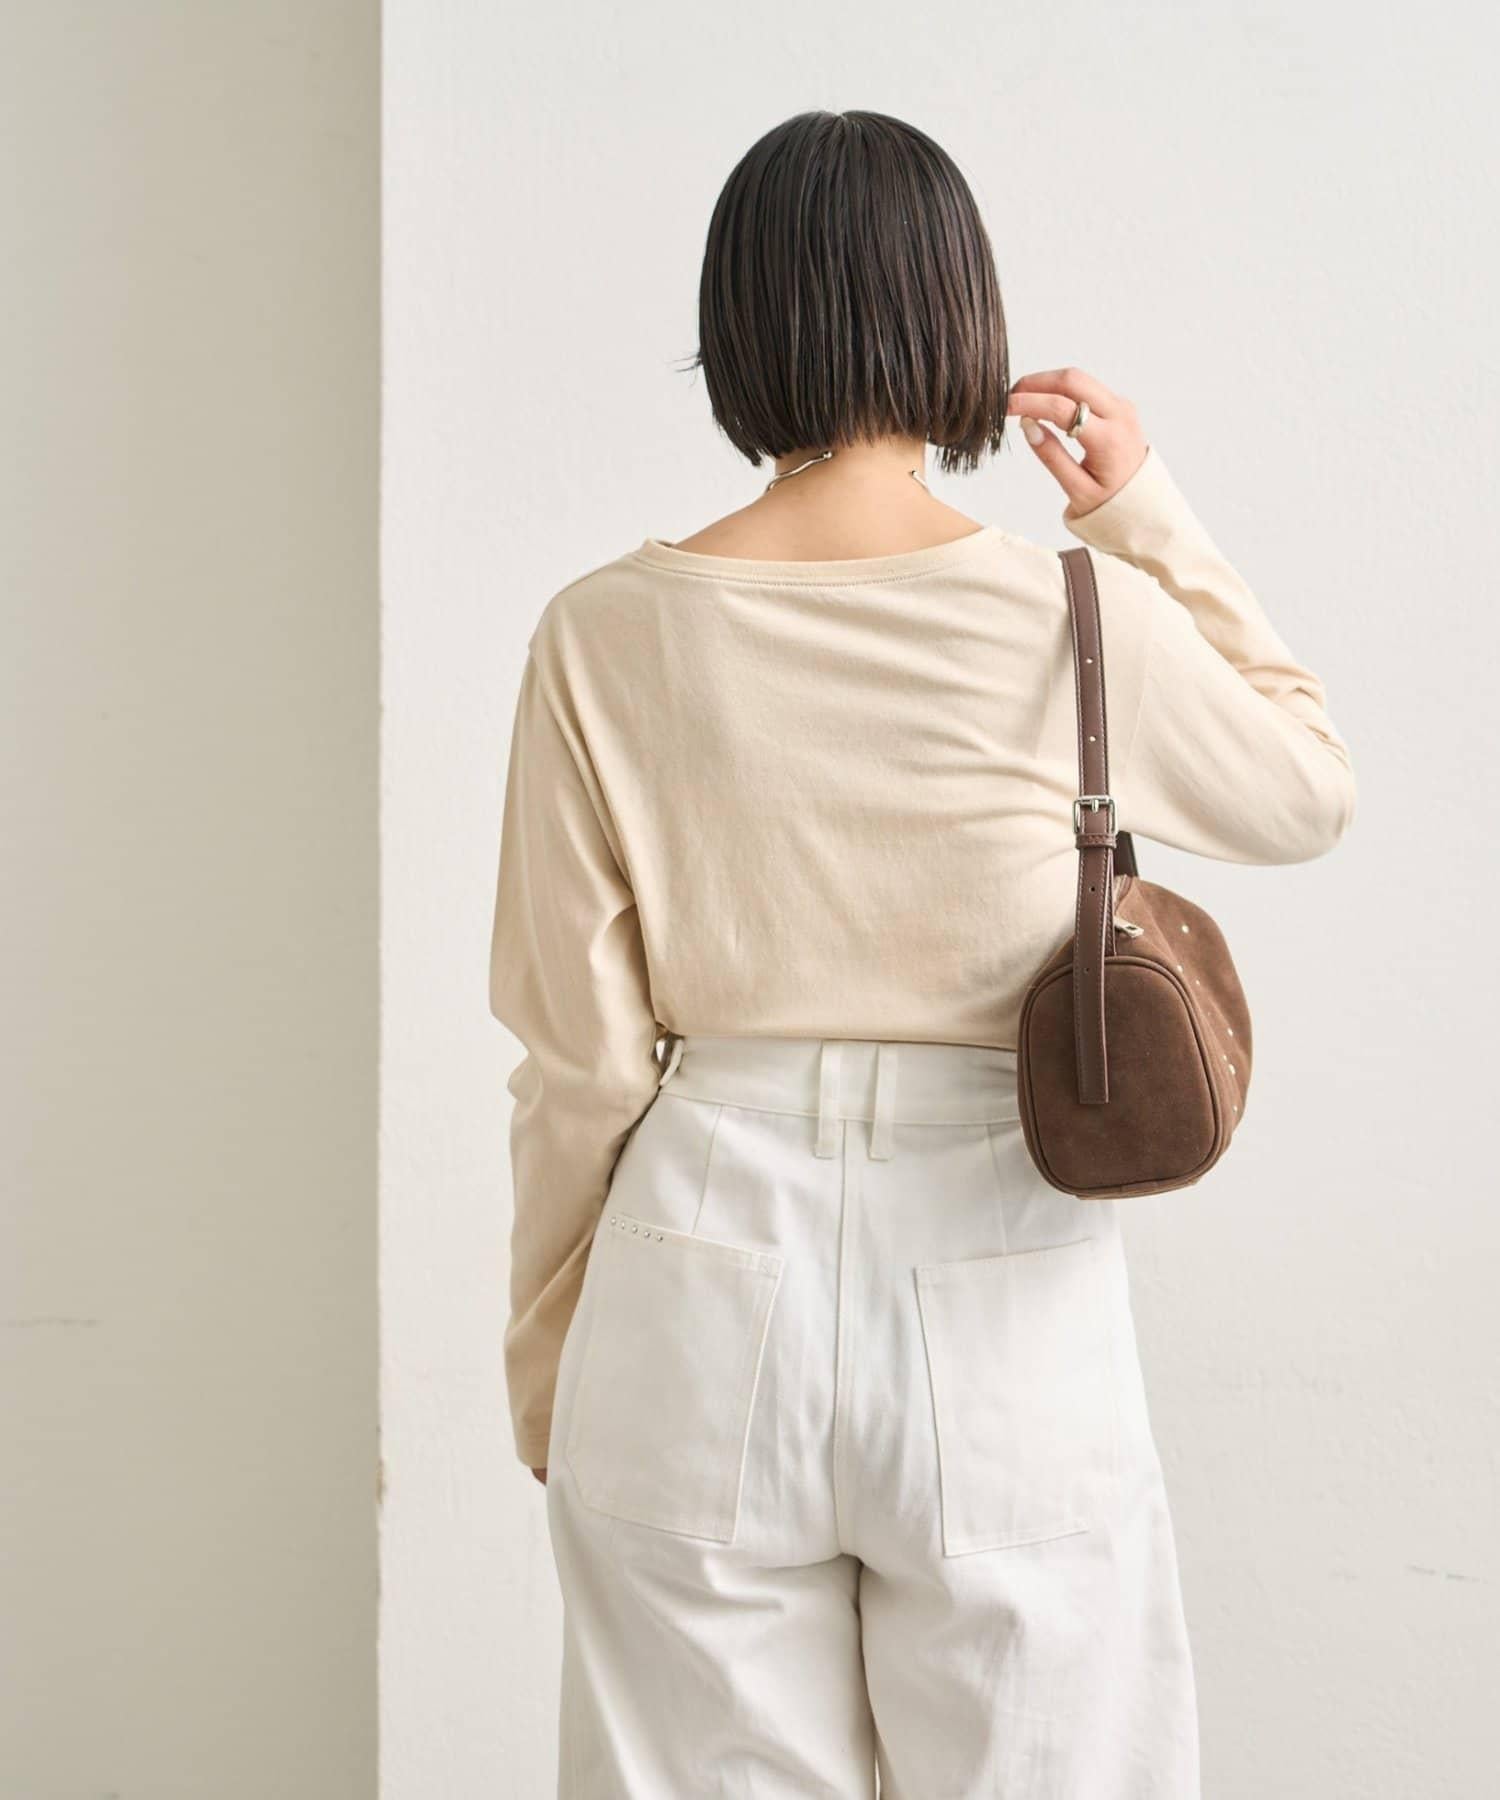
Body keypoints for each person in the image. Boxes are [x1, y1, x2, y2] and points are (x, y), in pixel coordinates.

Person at [487, 109, 1355, 1799]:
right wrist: (1144, 519)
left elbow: (576, 1062)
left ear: (737, 328)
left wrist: (552, 1362)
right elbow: (1305, 787)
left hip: (695, 1264)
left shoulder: (600, 632)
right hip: (999, 1273)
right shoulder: (1070, 614)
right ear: (961, 318)